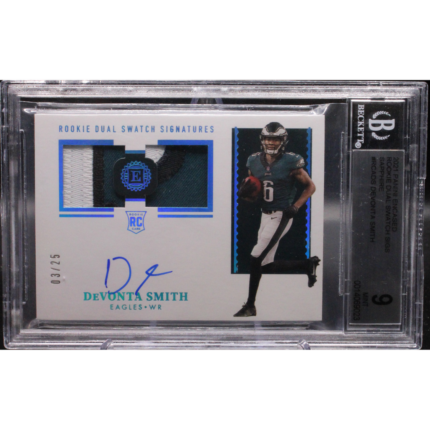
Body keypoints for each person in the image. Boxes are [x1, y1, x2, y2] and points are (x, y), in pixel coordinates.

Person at [234, 122, 321, 318]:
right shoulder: (253, 161)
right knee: (264, 265)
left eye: (275, 139)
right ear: (262, 140)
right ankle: (306, 265)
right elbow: (255, 190)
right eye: (267, 138)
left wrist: (296, 206)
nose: (271, 142)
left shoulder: (291, 161)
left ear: (283, 141)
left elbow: (310, 187)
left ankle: (250, 305)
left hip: (282, 214)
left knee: (255, 256)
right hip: (265, 215)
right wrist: (247, 194)